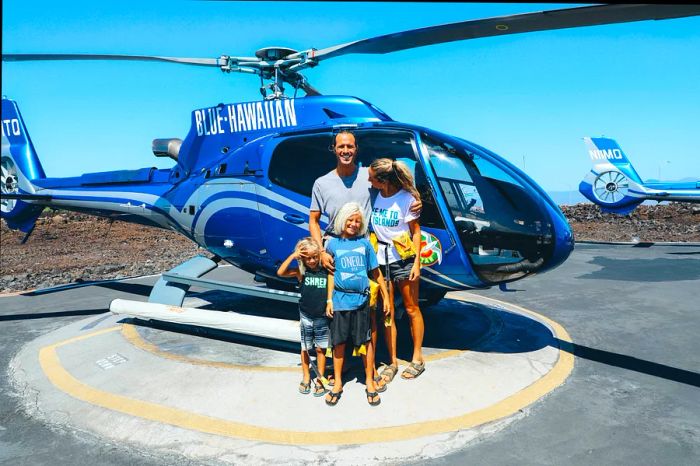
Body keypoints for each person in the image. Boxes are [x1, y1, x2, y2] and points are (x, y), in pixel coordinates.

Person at [309, 130, 422, 272]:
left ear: (356, 149)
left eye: (350, 146)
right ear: (334, 149)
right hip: (334, 249)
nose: (345, 151)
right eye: (341, 146)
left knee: (367, 293)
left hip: (365, 249)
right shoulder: (321, 183)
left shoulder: (370, 176)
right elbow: (313, 221)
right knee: (335, 294)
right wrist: (321, 252)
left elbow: (396, 186)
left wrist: (416, 198)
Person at [324, 202, 390, 406]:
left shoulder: (365, 244)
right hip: (340, 302)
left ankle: (369, 381)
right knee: (339, 343)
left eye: (357, 221)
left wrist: (386, 297)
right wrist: (329, 299)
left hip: (362, 301)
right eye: (350, 220)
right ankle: (338, 384)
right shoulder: (332, 244)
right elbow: (331, 275)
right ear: (342, 220)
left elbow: (376, 272)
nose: (353, 224)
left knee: (366, 342)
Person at [368, 158, 426, 381]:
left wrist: (417, 263)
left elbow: (416, 231)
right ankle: (392, 362)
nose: (369, 181)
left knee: (412, 308)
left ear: (383, 180)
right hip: (381, 260)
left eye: (372, 178)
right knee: (387, 311)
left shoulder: (407, 199)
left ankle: (417, 358)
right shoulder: (375, 196)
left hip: (404, 259)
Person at [277, 237, 331, 397]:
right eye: (308, 258)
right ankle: (306, 376)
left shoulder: (325, 271)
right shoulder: (301, 273)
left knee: (321, 348)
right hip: (306, 315)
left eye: (315, 257)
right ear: (303, 258)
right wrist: (293, 256)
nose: (313, 261)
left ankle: (320, 378)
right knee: (306, 348)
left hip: (322, 316)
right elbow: (280, 272)